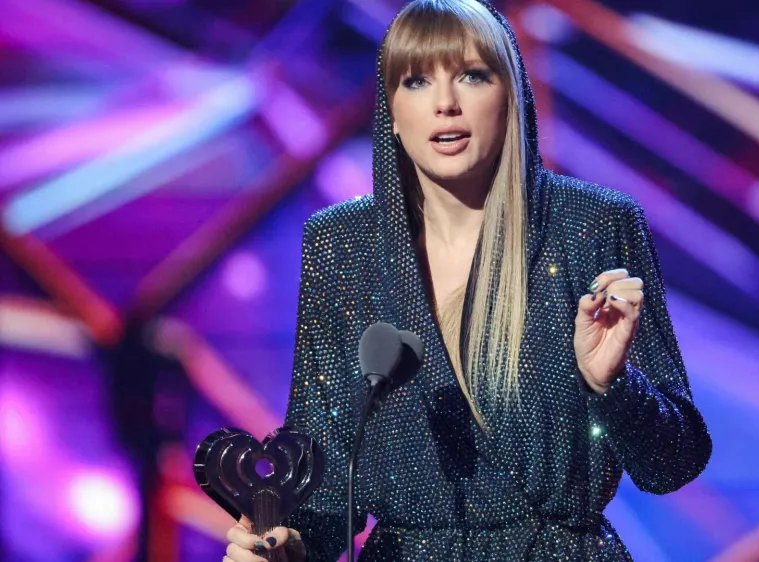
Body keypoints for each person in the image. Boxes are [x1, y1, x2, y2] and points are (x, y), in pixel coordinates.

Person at [222, 0, 711, 560]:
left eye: (472, 76)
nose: (445, 104)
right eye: (416, 81)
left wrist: (612, 386)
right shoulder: (343, 245)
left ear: (511, 93)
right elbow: (329, 484)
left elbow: (672, 463)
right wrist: (285, 547)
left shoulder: (593, 226)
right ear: (390, 107)